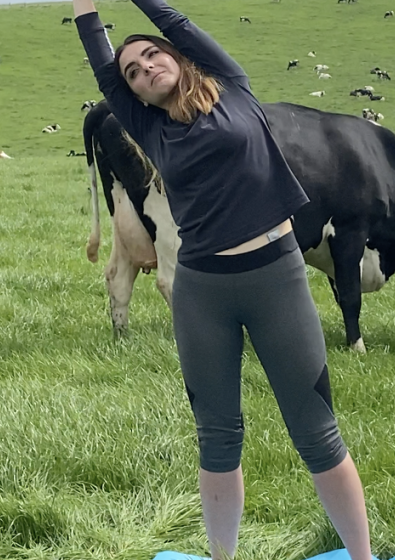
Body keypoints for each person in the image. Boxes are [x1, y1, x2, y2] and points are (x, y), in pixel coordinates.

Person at [72, 1, 373, 558]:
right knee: (216, 439)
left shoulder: (232, 87)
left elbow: (178, 24)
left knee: (317, 432)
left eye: (151, 55)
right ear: (133, 94)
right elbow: (101, 65)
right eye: (132, 72)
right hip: (202, 292)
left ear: (176, 57)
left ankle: (362, 556)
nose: (144, 69)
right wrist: (84, 10)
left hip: (277, 279)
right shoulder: (148, 127)